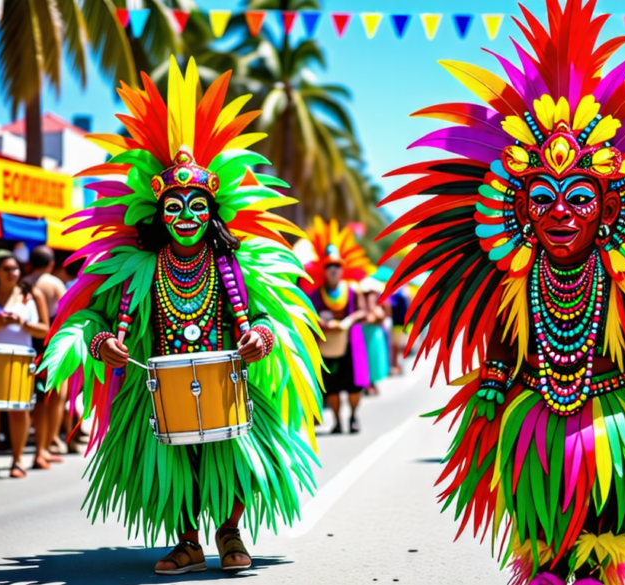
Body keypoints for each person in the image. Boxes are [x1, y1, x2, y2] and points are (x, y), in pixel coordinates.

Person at [379, 1, 625, 582]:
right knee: (543, 546)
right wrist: (492, 378)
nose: (559, 212)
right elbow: (502, 337)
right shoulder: (515, 275)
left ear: (611, 207)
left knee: (602, 543)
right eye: (542, 197)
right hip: (533, 415)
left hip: (613, 419)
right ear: (515, 208)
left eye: (579, 197)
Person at [41, 58, 323, 575]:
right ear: (158, 214)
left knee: (237, 456)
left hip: (225, 377)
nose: (187, 217)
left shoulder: (233, 266)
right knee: (176, 462)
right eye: (175, 207)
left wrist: (261, 334)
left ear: (213, 213)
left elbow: (265, 314)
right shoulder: (134, 268)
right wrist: (102, 341)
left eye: (197, 206)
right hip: (160, 381)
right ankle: (188, 540)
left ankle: (231, 531)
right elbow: (94, 315)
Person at [0, 250, 49, 479]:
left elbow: (45, 330)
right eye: (7, 269)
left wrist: (23, 323)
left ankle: (18, 461)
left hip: (21, 360)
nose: (13, 273)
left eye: (16, 268)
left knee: (19, 412)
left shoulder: (32, 294)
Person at [299, 218, 372, 434]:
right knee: (331, 385)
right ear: (324, 269)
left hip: (351, 342)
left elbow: (363, 312)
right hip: (327, 344)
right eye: (329, 266)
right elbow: (308, 315)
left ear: (342, 268)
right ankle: (338, 421)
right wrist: (320, 323)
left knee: (354, 384)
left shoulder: (352, 289)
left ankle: (353, 417)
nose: (333, 270)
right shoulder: (315, 294)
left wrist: (349, 321)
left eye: (336, 266)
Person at [23, 245, 67, 470]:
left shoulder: (23, 281)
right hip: (52, 343)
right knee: (57, 396)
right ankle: (47, 445)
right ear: (51, 264)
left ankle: (42, 445)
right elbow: (64, 314)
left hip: (29, 341)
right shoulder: (54, 283)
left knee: (36, 398)